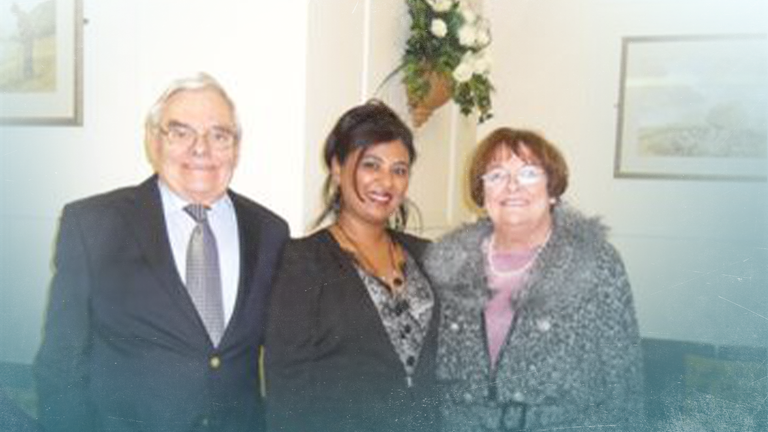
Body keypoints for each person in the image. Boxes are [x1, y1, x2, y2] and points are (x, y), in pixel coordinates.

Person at [34, 72, 289, 432]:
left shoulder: (270, 232)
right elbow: (60, 365)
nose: (201, 149)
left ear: (237, 147)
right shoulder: (93, 225)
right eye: (180, 132)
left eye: (219, 135)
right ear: (154, 141)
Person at [424, 127, 644, 431]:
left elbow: (625, 381)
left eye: (529, 173)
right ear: (482, 192)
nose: (512, 186)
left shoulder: (594, 263)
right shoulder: (453, 265)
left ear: (552, 190)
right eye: (497, 175)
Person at [265, 100, 438, 432]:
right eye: (371, 165)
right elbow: (288, 391)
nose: (386, 182)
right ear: (337, 167)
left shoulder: (427, 256)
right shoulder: (301, 262)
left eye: (399, 170)